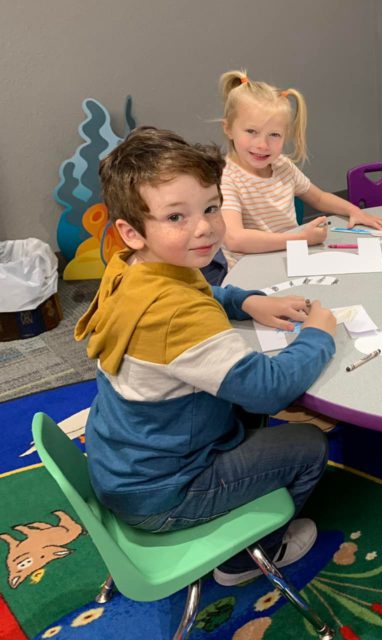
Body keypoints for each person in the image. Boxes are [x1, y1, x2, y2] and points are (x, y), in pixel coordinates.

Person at [75, 127, 339, 586]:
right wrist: (318, 335)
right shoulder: (178, 317)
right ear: (132, 232)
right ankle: (245, 559)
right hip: (168, 491)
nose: (204, 227)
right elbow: (267, 390)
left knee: (246, 415)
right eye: (176, 216)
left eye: (211, 207)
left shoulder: (131, 270)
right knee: (310, 446)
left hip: (126, 464)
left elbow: (200, 289)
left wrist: (245, 301)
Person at [218, 70, 382, 267]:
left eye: (274, 135)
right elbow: (235, 239)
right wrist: (300, 239)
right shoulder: (226, 178)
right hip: (251, 273)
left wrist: (354, 211)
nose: (262, 145)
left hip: (292, 259)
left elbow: (319, 198)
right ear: (228, 129)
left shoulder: (282, 166)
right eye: (251, 131)